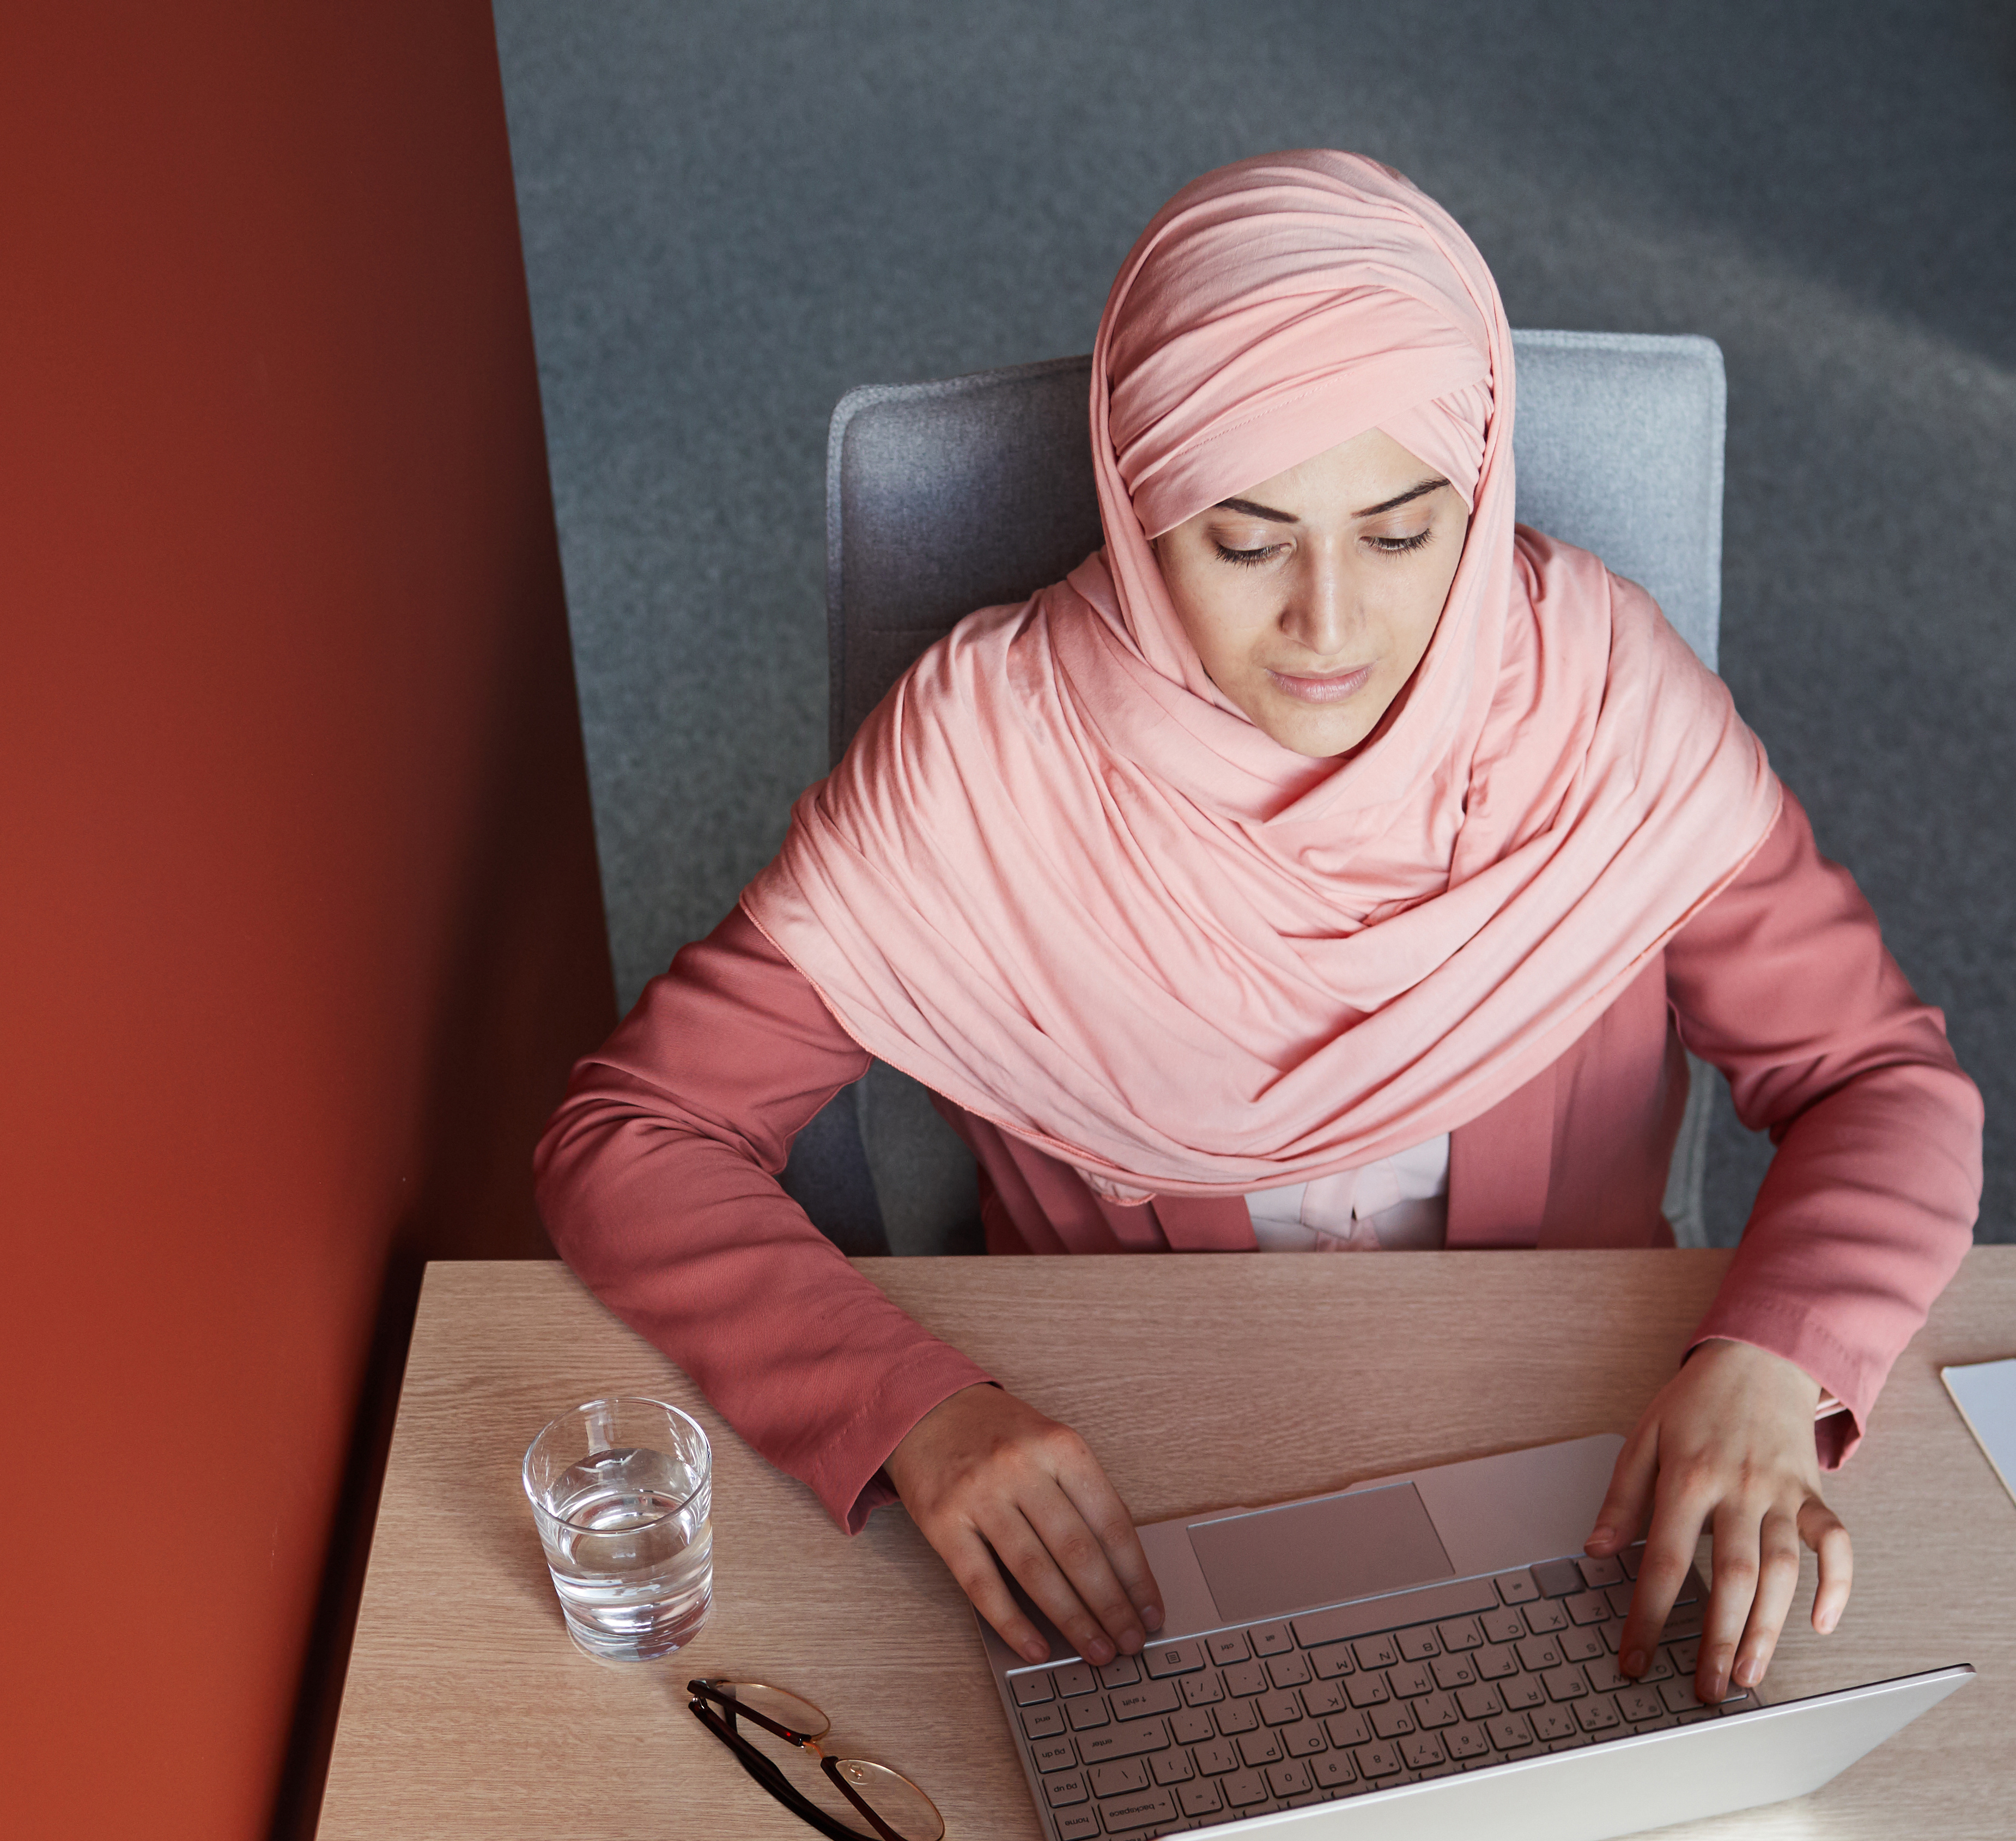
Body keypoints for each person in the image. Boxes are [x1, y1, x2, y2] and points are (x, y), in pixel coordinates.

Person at [536, 152, 1981, 1715]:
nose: (1331, 626)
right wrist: (911, 1412)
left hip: (1589, 1437)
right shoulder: (984, 761)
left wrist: (1777, 1358)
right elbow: (628, 1134)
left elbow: (1879, 1081)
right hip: (1132, 1481)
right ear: (1139, 503)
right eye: (1243, 540)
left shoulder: (1601, 706)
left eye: (1403, 530)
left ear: (1479, 493)